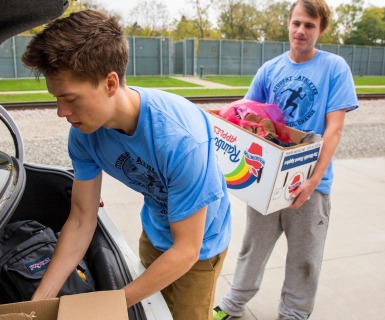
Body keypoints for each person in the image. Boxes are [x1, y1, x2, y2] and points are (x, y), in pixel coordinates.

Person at [21, 9, 231, 320]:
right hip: (155, 231)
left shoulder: (180, 140)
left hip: (201, 250)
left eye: (70, 98)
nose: (61, 111)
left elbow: (187, 249)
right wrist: (37, 303)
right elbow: (81, 220)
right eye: (56, 99)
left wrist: (113, 303)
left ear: (109, 83)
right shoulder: (84, 135)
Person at [213, 0, 358, 319]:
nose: (300, 31)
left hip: (310, 182)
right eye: (296, 23)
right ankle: (233, 304)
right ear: (288, 24)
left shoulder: (334, 68)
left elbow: (333, 129)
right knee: (253, 248)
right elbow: (249, 119)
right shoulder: (270, 70)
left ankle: (294, 313)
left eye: (309, 25)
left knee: (305, 258)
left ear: (321, 30)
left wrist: (314, 180)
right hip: (267, 179)